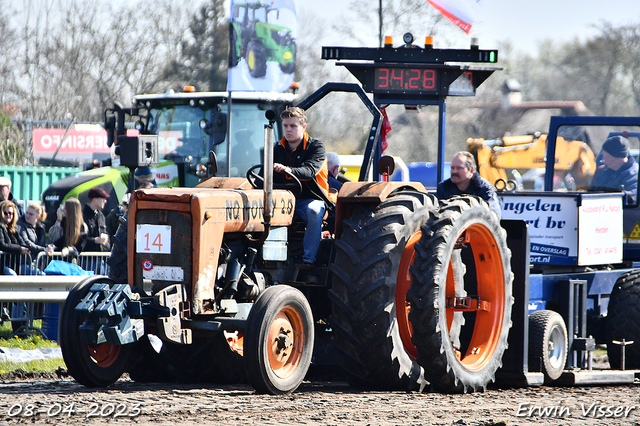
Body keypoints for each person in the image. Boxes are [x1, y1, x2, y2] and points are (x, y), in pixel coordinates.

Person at [273, 106, 330, 266]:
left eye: (293, 126)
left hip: (308, 199)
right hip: (280, 200)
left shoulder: (316, 147)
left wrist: (287, 170)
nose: (288, 130)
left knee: (314, 210)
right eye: (285, 126)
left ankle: (308, 260)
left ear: (303, 127)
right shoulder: (276, 148)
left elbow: (309, 171)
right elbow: (264, 175)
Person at [437, 151, 502, 217]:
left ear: (471, 170)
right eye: (452, 168)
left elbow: (494, 216)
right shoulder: (444, 187)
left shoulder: (484, 188)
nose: (454, 171)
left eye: (459, 168)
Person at [590, 135, 638, 204]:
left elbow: (630, 201)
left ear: (614, 155)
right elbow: (590, 194)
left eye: (605, 151)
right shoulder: (601, 172)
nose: (602, 154)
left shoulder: (635, 178)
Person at [0, 200, 30, 275]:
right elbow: (2, 245)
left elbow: (22, 243)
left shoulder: (13, 229)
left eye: (11, 213)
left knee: (35, 272)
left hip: (14, 264)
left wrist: (29, 247)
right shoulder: (0, 226)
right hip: (2, 265)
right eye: (5, 213)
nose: (9, 215)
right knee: (12, 275)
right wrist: (20, 249)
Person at [82, 187, 111, 253]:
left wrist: (106, 241)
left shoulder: (101, 216)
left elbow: (106, 234)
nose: (105, 201)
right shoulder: (82, 215)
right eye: (103, 199)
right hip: (86, 259)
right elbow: (78, 239)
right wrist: (95, 240)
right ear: (95, 199)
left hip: (101, 258)